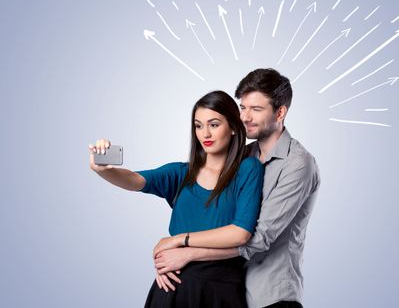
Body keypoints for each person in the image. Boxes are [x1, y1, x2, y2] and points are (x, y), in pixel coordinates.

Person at [153, 68, 320, 308]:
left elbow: (258, 238)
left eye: (256, 109)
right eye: (243, 108)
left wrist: (185, 250)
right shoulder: (243, 157)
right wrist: (167, 262)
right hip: (231, 292)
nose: (245, 117)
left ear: (280, 112)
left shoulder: (298, 163)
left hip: (271, 296)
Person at [88, 90, 264, 307]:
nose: (205, 134)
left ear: (234, 128)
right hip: (172, 290)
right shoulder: (180, 174)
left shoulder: (248, 169)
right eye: (198, 126)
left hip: (221, 291)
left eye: (214, 124)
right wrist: (103, 170)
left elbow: (240, 234)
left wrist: (178, 241)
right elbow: (134, 179)